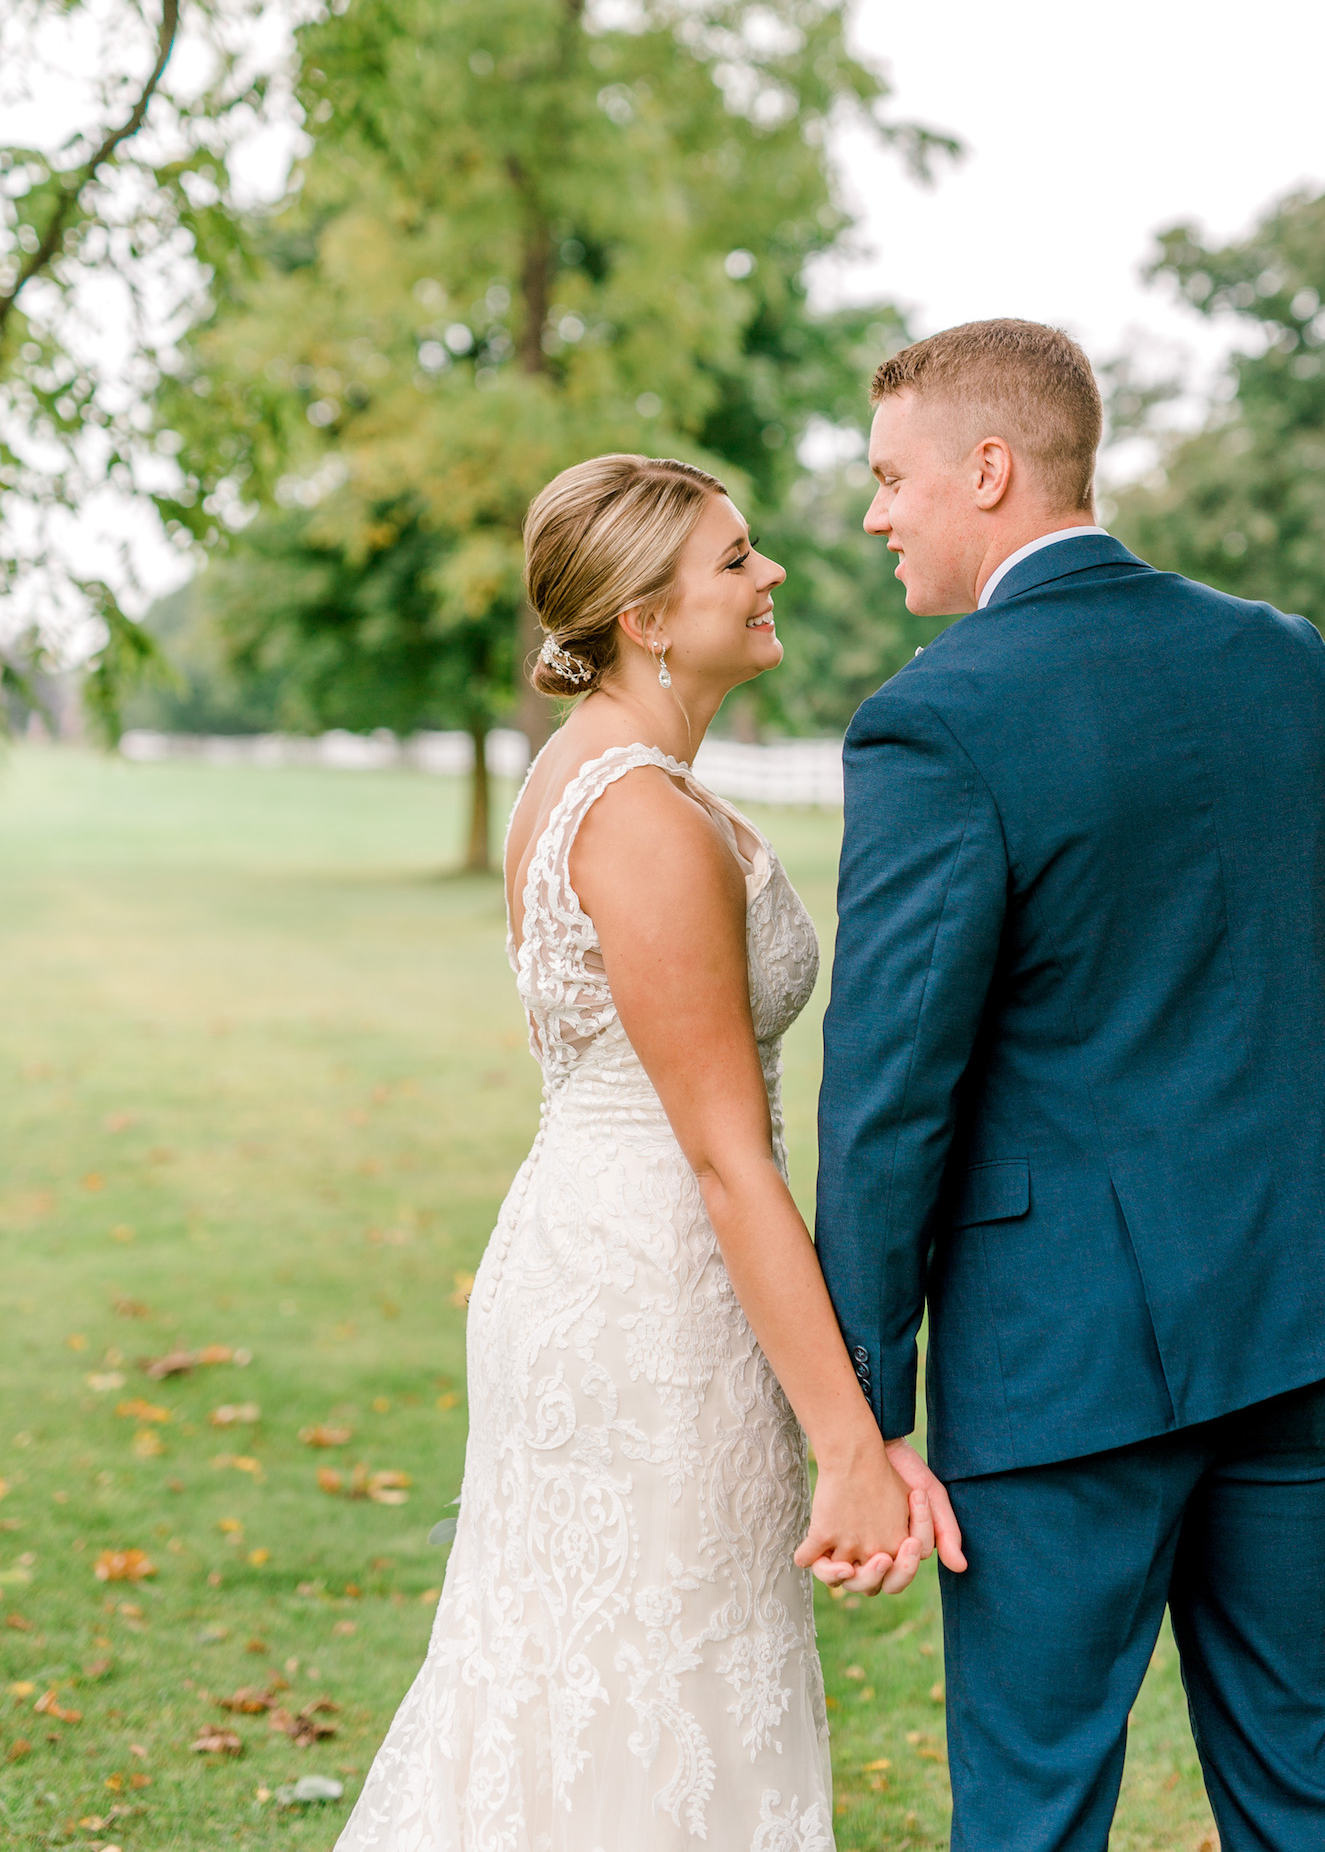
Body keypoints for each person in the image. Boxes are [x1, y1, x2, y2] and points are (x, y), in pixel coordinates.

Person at [815, 320, 1325, 1852]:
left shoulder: (934, 717)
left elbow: (888, 1100)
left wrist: (870, 1406)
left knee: (1032, 1805)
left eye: (892, 477)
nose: (877, 512)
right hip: (1296, 1306)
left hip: (1057, 1356)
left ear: (992, 469)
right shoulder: (1283, 658)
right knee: (1302, 1772)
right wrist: (1311, 1223)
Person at [337, 453, 935, 1852]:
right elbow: (728, 1157)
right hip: (652, 1291)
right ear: (646, 617)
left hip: (591, 1246)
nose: (771, 569)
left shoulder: (597, 772)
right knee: (649, 1683)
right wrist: (853, 1441)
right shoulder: (646, 815)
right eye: (736, 558)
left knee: (594, 1677)